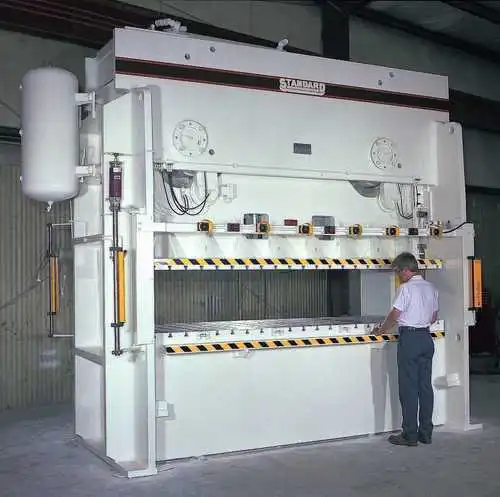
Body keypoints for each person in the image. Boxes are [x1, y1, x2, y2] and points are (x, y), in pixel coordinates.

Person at [372, 251, 439, 447]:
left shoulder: (406, 289)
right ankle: (426, 433)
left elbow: (395, 315)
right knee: (425, 387)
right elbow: (433, 317)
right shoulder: (431, 288)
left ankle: (409, 435)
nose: (398, 275)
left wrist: (381, 330)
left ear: (406, 270)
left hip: (410, 340)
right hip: (426, 339)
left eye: (398, 271)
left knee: (408, 388)